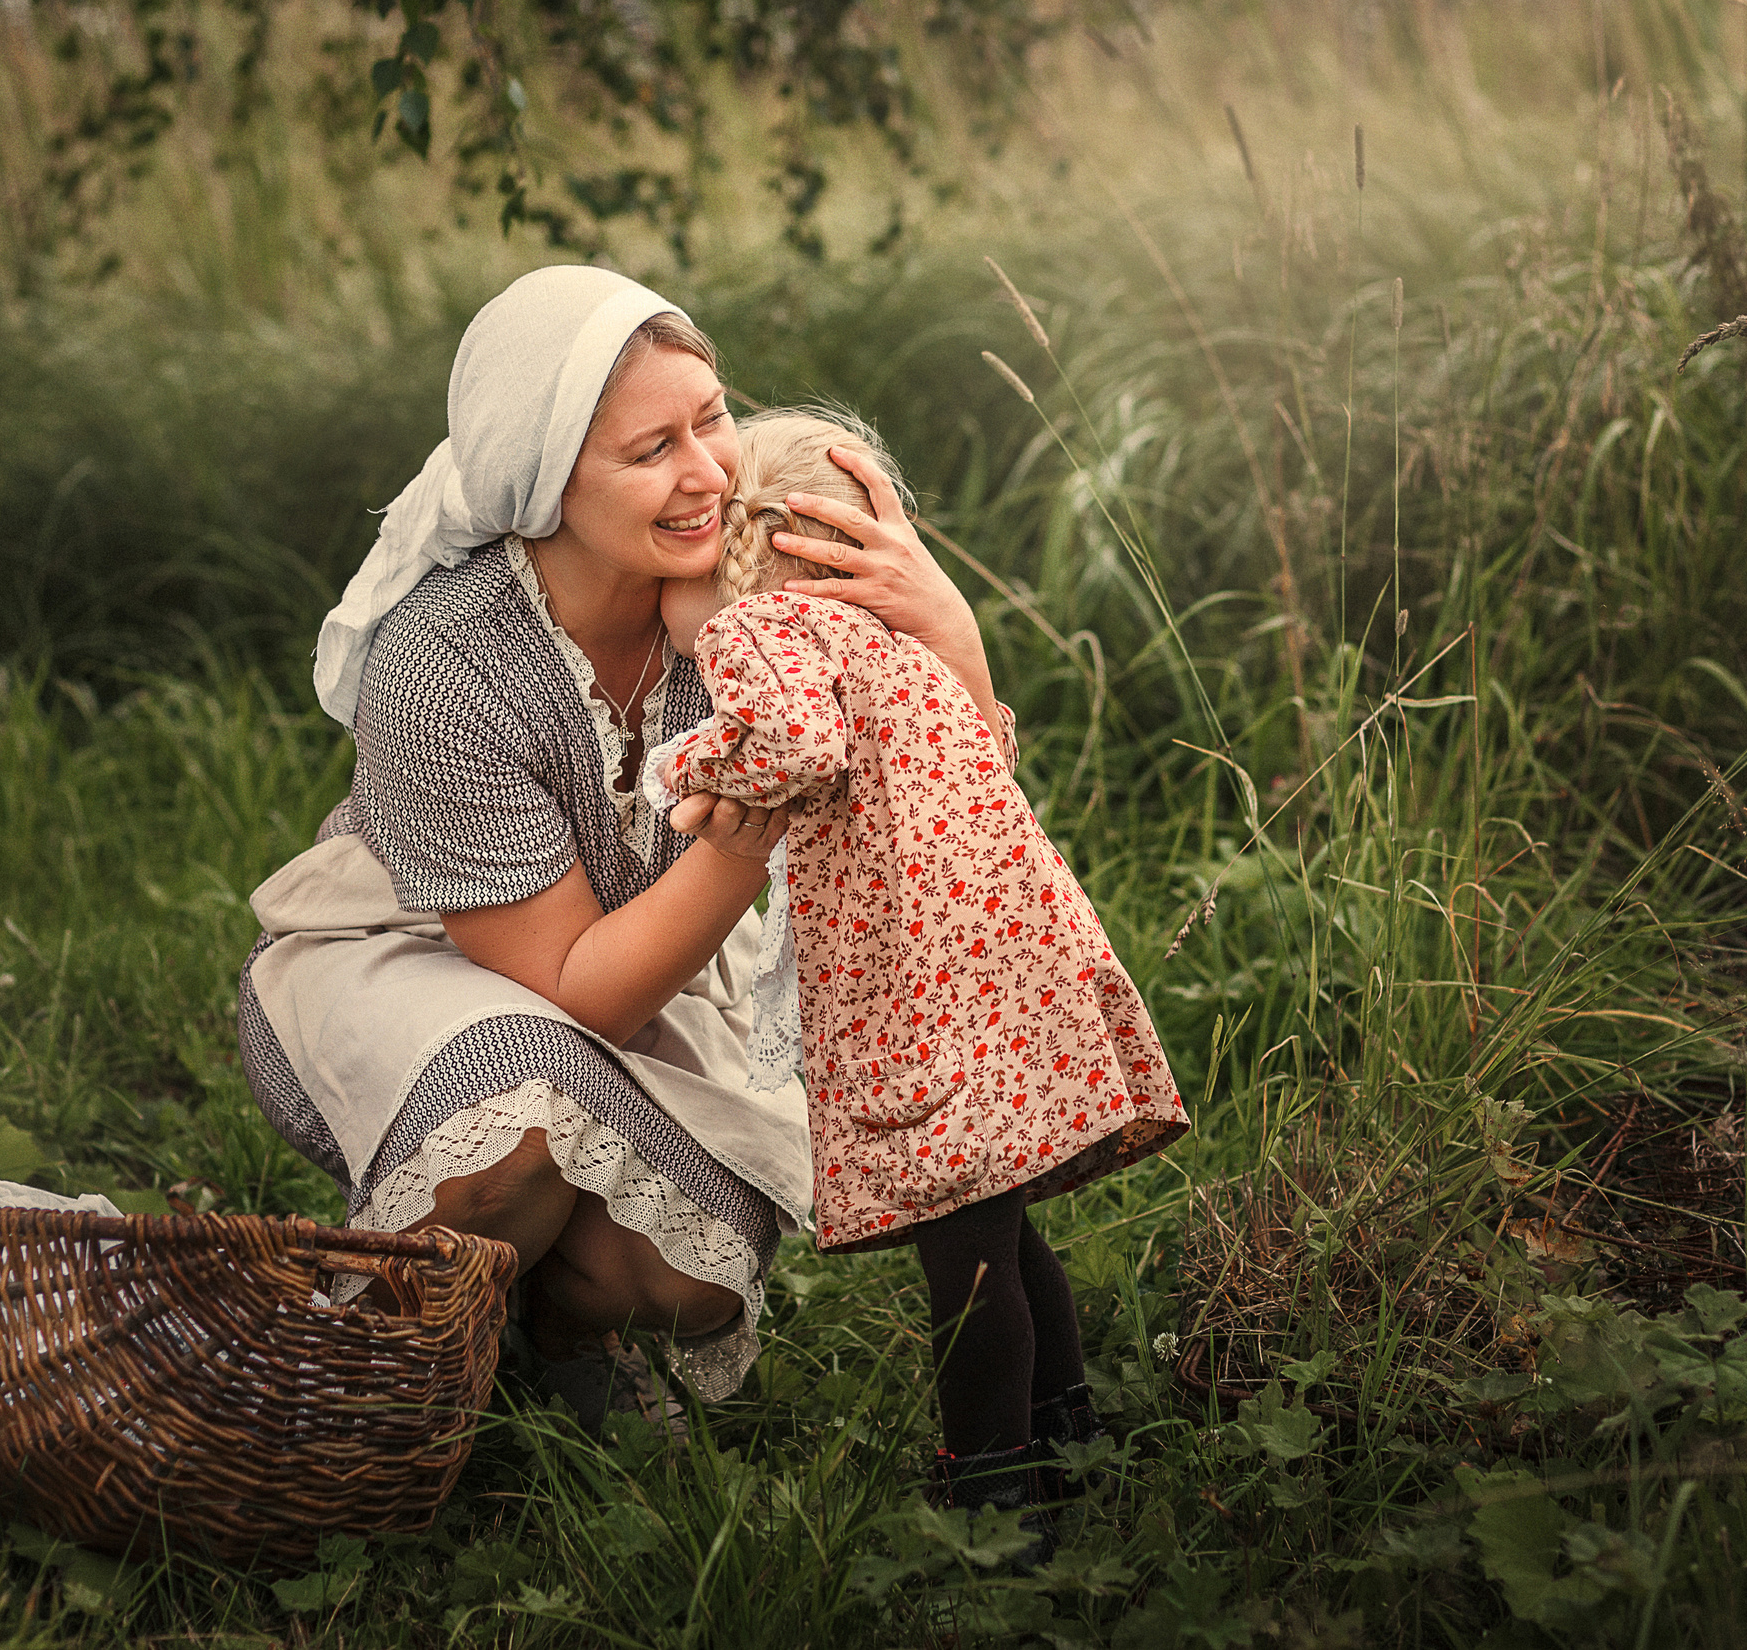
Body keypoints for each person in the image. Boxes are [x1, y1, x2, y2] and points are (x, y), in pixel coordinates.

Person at [234, 267, 1002, 1426]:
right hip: (420, 966)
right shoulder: (444, 664)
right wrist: (741, 849)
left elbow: (956, 806)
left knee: (676, 1277)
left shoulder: (746, 581)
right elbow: (565, 987)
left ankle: (542, 1332)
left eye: (710, 418)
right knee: (518, 1125)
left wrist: (945, 622)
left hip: (651, 962)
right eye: (650, 450)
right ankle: (380, 1394)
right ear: (547, 484)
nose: (706, 471)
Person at [651, 408, 1189, 1533]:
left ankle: (993, 1485)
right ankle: (1067, 1424)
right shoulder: (888, 642)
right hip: (1004, 963)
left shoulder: (760, 635)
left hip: (919, 985)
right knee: (997, 1215)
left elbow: (794, 747)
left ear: (750, 549)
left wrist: (684, 760)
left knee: (964, 1248)